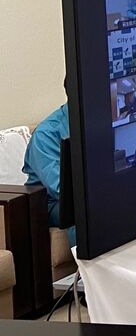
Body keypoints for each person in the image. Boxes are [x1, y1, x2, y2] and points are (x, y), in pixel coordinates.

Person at [23, 101, 73, 240]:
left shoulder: (95, 121)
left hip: (86, 193)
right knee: (85, 211)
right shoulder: (46, 134)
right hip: (52, 202)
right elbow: (59, 188)